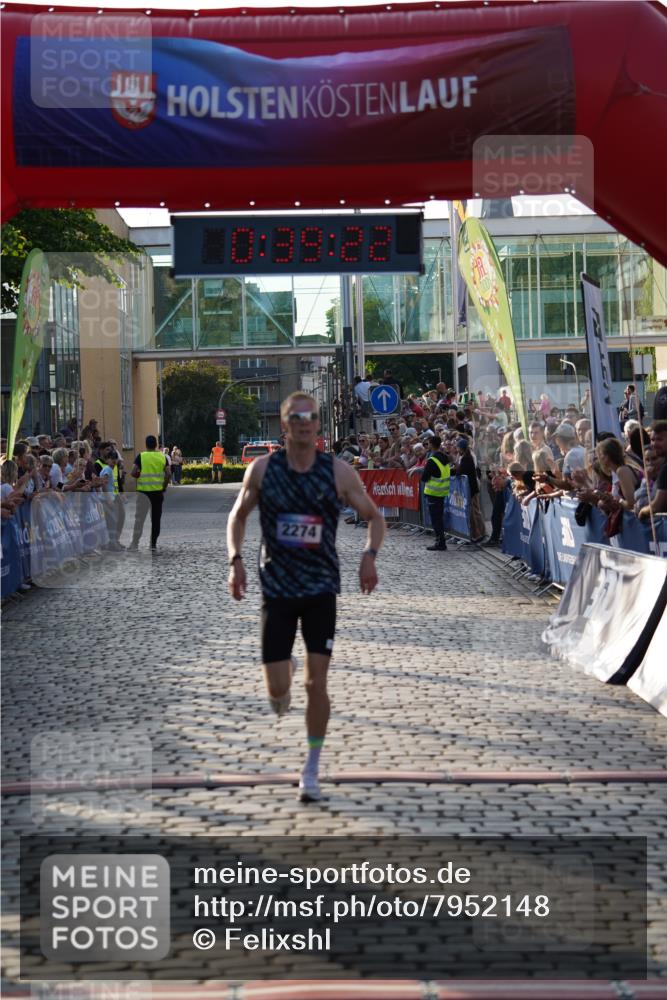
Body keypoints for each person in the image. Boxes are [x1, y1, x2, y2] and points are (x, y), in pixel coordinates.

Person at [227, 392, 385, 804]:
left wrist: (369, 556)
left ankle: (311, 767)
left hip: (319, 590)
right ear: (285, 424)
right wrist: (235, 560)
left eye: (310, 416)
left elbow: (374, 517)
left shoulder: (338, 472)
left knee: (317, 684)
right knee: (279, 692)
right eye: (295, 416)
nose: (303, 422)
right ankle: (284, 671)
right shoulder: (263, 470)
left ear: (318, 425)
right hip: (276, 589)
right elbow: (238, 516)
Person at [129, 435, 170, 551]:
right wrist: (164, 487)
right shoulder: (162, 457)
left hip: (143, 493)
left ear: (146, 444)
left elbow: (133, 472)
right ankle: (153, 544)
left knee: (140, 519)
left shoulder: (141, 456)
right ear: (156, 444)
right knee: (156, 519)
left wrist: (138, 475)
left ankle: (134, 543)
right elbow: (168, 474)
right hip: (157, 493)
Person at [421, 435, 451, 551]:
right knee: (439, 519)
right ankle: (441, 541)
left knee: (436, 520)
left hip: (433, 493)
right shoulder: (445, 458)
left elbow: (424, 477)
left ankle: (440, 542)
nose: (427, 446)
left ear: (432, 445)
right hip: (442, 492)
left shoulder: (432, 460)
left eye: (428, 444)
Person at [454, 437, 485, 542]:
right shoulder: (464, 456)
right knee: (473, 511)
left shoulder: (467, 458)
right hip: (470, 488)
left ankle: (479, 533)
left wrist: (455, 468)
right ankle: (478, 533)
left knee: (474, 512)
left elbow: (461, 471)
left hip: (471, 489)